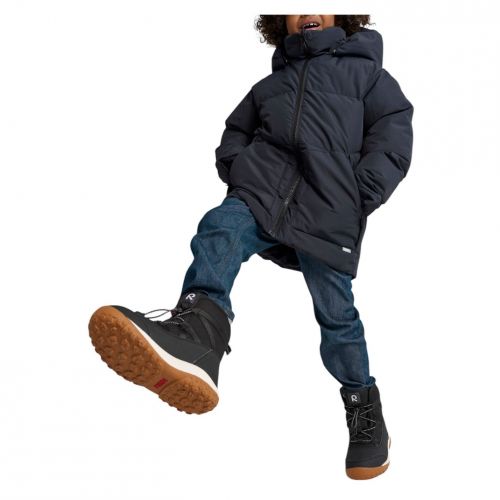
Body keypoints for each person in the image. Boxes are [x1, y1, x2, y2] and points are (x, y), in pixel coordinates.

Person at [88, 14, 413, 480]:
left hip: (329, 207)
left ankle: (364, 410)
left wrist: (357, 195)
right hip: (262, 193)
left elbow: (393, 138)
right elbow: (236, 132)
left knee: (337, 316)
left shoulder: (369, 76)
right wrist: (239, 169)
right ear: (279, 22)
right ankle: (199, 334)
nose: (305, 10)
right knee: (220, 227)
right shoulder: (269, 85)